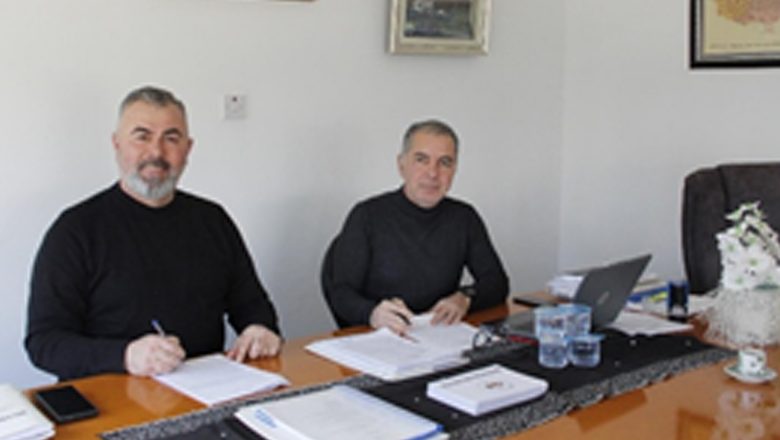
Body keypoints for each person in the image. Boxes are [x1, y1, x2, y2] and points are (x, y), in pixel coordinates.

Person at [25, 86, 282, 381]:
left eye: (171, 138)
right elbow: (44, 343)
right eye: (142, 136)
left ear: (188, 149)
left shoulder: (212, 220)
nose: (157, 152)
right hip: (110, 394)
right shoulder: (75, 230)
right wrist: (125, 356)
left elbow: (252, 305)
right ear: (117, 144)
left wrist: (259, 330)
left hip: (204, 389)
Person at [325, 119, 509, 334]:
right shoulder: (367, 215)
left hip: (439, 334)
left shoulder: (464, 217)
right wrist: (372, 313)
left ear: (455, 169)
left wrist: (465, 297)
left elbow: (497, 282)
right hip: (380, 336)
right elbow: (341, 294)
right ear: (401, 165)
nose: (433, 173)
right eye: (421, 160)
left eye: (445, 162)